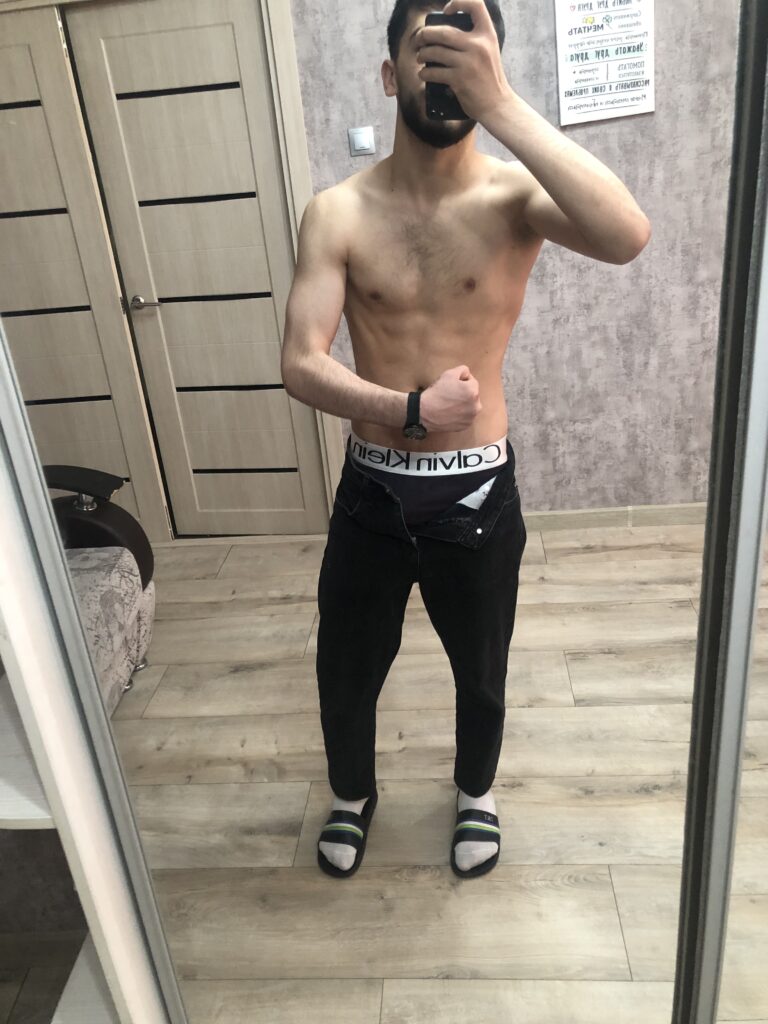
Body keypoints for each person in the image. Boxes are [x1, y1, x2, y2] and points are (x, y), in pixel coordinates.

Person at [281, 0, 651, 879]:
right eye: (425, 48)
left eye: (465, 48)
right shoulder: (336, 211)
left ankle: (476, 792)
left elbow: (628, 235)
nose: (442, 66)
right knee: (345, 666)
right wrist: (408, 408)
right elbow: (300, 363)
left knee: (481, 667)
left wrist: (504, 105)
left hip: (478, 492)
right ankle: (351, 793)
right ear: (389, 75)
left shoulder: (515, 199)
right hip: (372, 490)